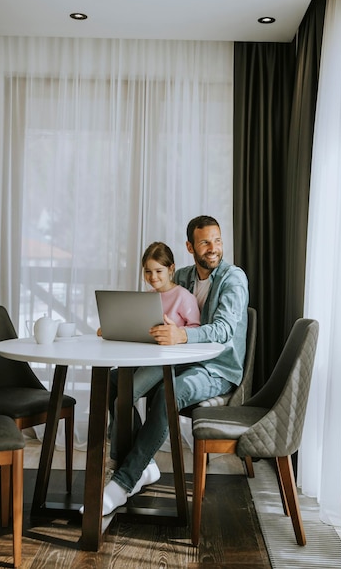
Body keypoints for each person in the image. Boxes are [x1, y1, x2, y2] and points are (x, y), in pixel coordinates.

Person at [100, 215, 249, 516]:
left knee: (169, 392)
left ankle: (123, 480)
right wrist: (120, 324)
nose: (213, 248)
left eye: (217, 240)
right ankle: (144, 465)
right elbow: (155, 308)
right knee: (114, 382)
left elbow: (223, 330)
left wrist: (182, 334)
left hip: (217, 369)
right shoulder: (182, 277)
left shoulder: (233, 278)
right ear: (190, 247)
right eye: (205, 242)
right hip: (181, 361)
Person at [107, 241, 201, 467]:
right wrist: (113, 326)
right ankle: (134, 455)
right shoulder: (148, 297)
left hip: (167, 362)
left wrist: (177, 332)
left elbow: (197, 330)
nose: (153, 277)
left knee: (124, 398)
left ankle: (124, 459)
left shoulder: (183, 296)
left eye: (158, 271)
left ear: (171, 269)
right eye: (148, 272)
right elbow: (139, 327)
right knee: (110, 381)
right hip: (146, 357)